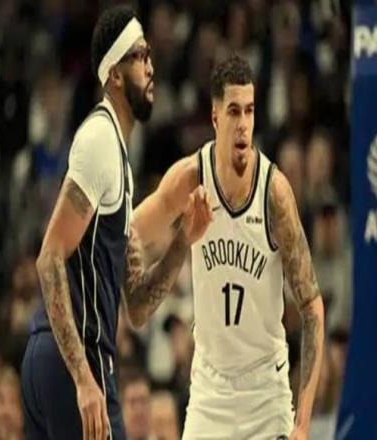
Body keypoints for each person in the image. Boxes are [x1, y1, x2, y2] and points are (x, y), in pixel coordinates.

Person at [21, 6, 211, 440]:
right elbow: (49, 258)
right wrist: (84, 380)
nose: (151, 66)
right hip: (74, 359)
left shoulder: (118, 161)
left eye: (149, 55)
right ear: (114, 75)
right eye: (139, 55)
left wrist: (183, 239)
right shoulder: (100, 138)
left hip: (51, 359)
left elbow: (138, 306)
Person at [133, 54, 324, 439]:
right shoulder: (191, 178)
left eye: (250, 111)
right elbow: (129, 232)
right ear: (215, 117)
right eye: (234, 111)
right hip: (210, 391)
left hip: (265, 392)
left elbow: (312, 308)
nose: (243, 124)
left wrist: (303, 422)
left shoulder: (274, 193)